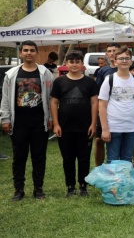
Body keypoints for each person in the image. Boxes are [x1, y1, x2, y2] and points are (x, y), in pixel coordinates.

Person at [1, 41, 55, 201]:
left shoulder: (45, 73)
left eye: (32, 50)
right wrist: (5, 118)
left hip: (40, 122)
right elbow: (5, 98)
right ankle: (19, 190)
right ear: (21, 53)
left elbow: (52, 97)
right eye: (26, 50)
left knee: (39, 156)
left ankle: (38, 189)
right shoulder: (11, 75)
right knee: (19, 157)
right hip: (19, 124)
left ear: (37, 53)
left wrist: (51, 117)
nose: (29, 53)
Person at [50, 51, 97, 197]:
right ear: (66, 63)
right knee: (68, 158)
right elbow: (54, 102)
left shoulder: (90, 82)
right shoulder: (59, 82)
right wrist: (56, 124)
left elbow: (95, 102)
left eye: (77, 61)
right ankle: (70, 186)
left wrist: (93, 123)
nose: (74, 64)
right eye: (71, 61)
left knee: (84, 158)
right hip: (65, 127)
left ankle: (83, 186)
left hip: (85, 127)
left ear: (82, 64)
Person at [98, 47, 134, 164]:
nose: (124, 61)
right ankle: (114, 183)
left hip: (131, 128)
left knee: (127, 160)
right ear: (115, 61)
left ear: (131, 61)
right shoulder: (110, 80)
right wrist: (105, 129)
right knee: (112, 160)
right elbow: (102, 105)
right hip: (114, 127)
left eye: (127, 58)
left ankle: (125, 182)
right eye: (121, 58)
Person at [94, 43, 120, 166]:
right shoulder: (103, 71)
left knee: (117, 140)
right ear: (106, 54)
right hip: (104, 110)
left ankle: (117, 167)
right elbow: (97, 92)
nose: (112, 53)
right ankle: (98, 168)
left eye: (115, 50)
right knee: (99, 140)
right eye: (109, 51)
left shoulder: (126, 69)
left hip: (120, 111)